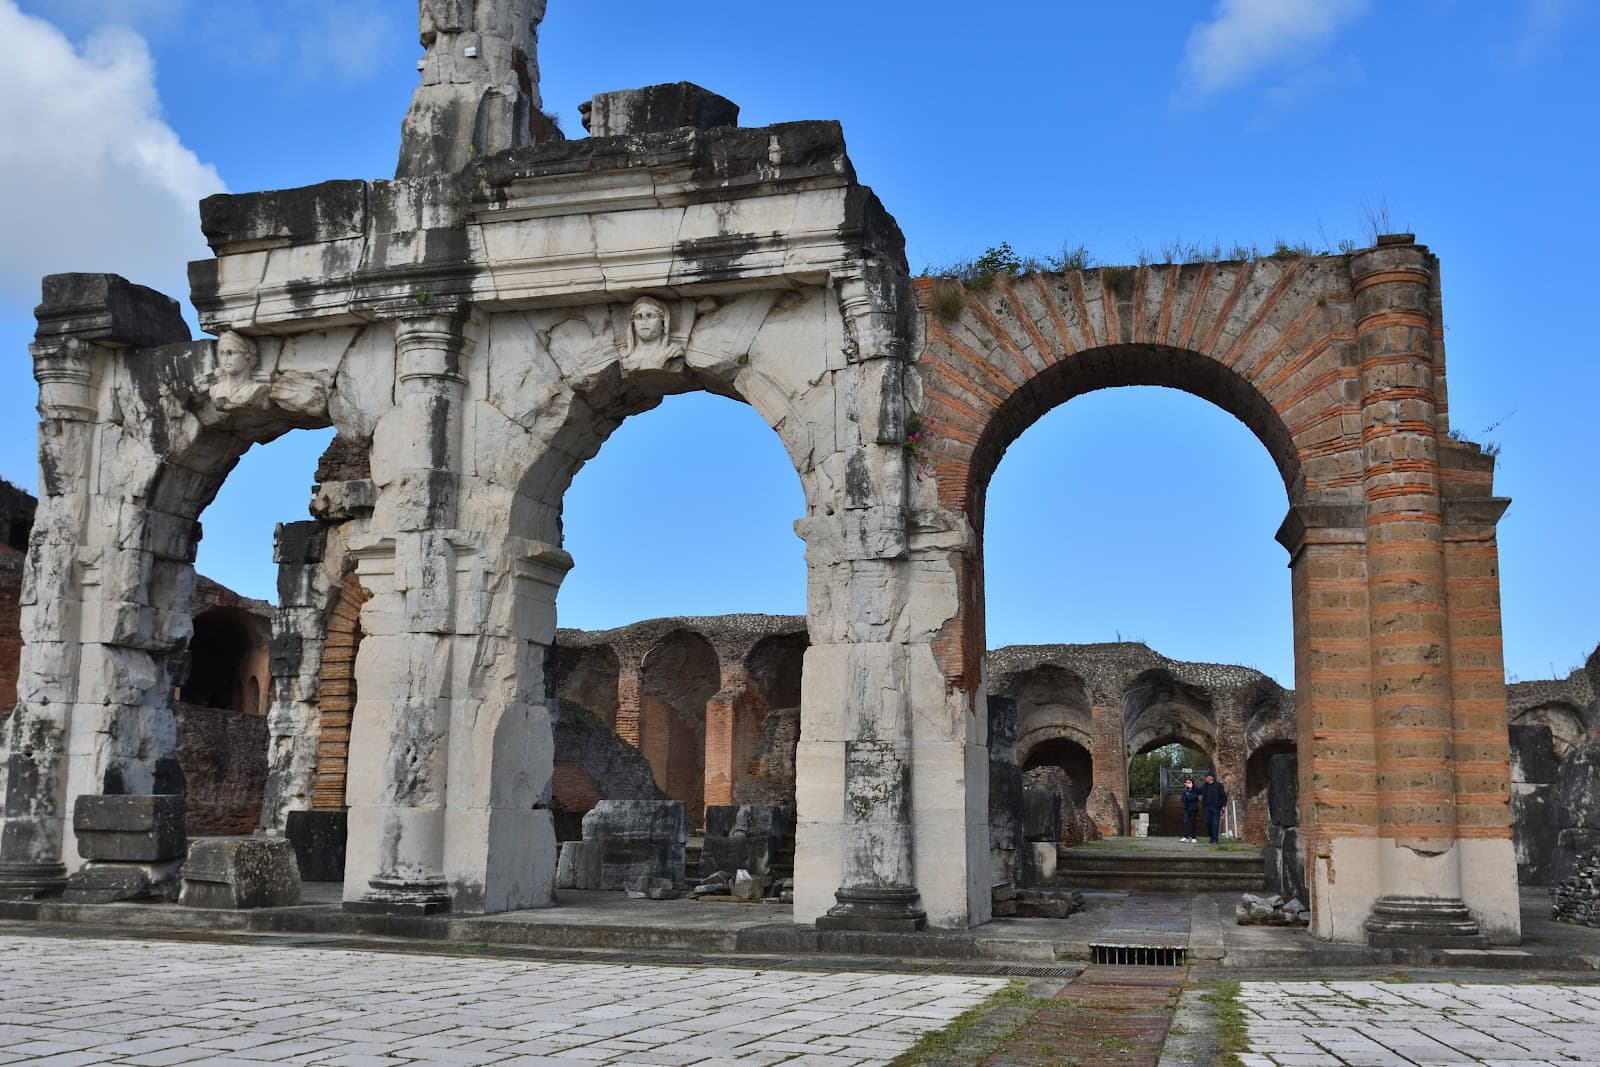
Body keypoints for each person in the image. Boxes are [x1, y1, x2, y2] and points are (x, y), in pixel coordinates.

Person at [1200, 771, 1228, 845]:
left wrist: (1223, 805)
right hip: (1207, 807)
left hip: (1216, 807)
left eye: (1207, 777)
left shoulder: (1219, 785)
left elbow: (1224, 796)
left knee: (1215, 823)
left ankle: (1215, 839)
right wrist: (1191, 787)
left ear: (1211, 777)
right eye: (1205, 777)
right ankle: (1211, 837)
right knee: (1207, 822)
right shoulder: (1205, 786)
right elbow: (1199, 791)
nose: (1205, 778)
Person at [1180, 776, 1200, 843]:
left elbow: (1194, 798)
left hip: (1193, 808)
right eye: (1187, 782)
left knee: (1193, 823)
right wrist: (1188, 798)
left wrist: (1188, 797)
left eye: (1189, 782)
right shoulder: (1184, 791)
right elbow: (1182, 799)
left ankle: (1194, 837)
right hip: (1186, 808)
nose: (1188, 784)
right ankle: (1185, 837)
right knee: (1185, 822)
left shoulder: (1195, 790)